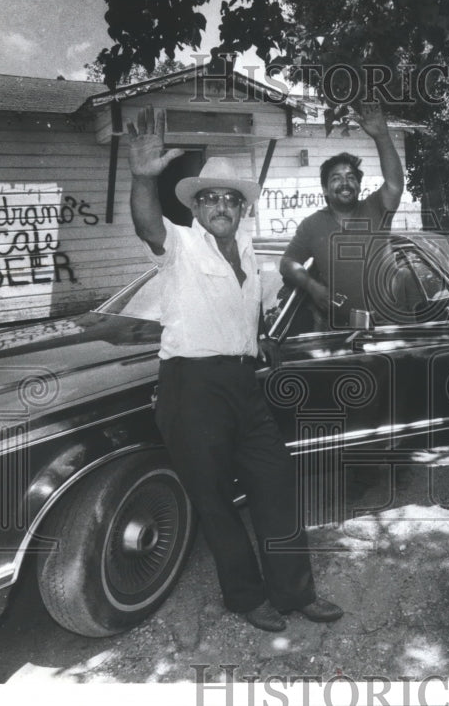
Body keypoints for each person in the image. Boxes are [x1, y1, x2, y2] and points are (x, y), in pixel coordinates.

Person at [126, 106, 342, 632]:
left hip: (244, 386)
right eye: (210, 197)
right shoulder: (179, 244)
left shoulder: (250, 254)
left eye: (230, 198)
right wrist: (141, 177)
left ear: (242, 208)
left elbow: (242, 313)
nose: (220, 205)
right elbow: (146, 224)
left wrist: (260, 337)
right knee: (216, 500)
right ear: (196, 206)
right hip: (191, 388)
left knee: (275, 484)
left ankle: (296, 594)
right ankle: (247, 598)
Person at [280, 102, 404, 328]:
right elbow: (287, 262)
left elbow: (394, 185)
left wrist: (382, 137)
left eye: (351, 177)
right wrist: (312, 286)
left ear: (358, 185)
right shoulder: (311, 226)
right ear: (326, 190)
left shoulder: (377, 208)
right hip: (342, 334)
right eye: (336, 178)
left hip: (391, 326)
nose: (345, 183)